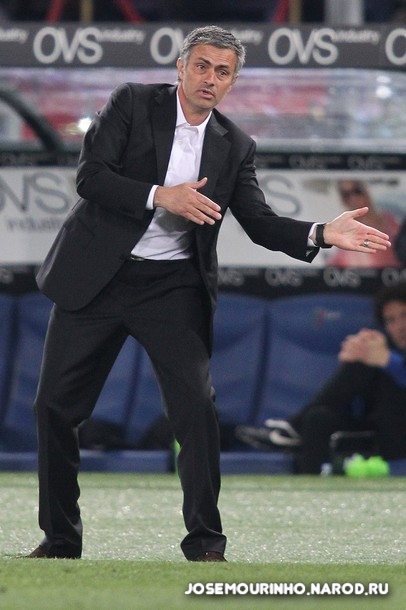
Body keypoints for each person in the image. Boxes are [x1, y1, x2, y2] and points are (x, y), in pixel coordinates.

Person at [26, 25, 390, 562]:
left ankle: (205, 545)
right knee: (54, 410)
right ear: (181, 68)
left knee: (197, 412)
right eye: (201, 66)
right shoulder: (132, 103)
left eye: (223, 72)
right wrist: (160, 196)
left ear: (232, 82)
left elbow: (260, 223)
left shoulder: (235, 145)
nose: (210, 79)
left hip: (172, 288)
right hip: (98, 279)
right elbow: (91, 178)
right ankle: (60, 540)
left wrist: (321, 232)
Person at [236, 283, 406, 474]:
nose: (399, 326)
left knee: (370, 359)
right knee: (317, 418)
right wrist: (357, 360)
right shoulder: (384, 352)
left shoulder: (388, 358)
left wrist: (386, 360)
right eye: (390, 320)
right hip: (382, 433)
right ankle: (307, 480)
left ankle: (293, 428)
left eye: (404, 315)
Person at [325, 179, 401, 268]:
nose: (353, 198)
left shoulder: (389, 219)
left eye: (357, 191)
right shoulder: (344, 231)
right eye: (346, 194)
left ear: (365, 191)